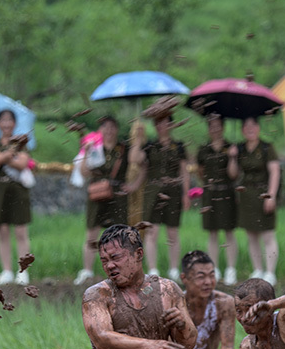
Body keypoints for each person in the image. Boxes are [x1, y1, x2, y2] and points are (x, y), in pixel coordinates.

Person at [82, 224, 197, 349]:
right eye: (104, 260)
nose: (110, 265)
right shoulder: (98, 295)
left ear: (139, 255)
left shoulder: (168, 290)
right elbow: (102, 337)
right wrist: (149, 344)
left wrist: (182, 325)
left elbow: (188, 343)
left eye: (115, 258)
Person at [127, 97, 190, 282]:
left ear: (171, 125)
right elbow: (135, 160)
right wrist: (138, 140)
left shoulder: (178, 147)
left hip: (173, 191)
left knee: (172, 232)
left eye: (165, 123)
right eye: (158, 123)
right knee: (152, 231)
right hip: (153, 191)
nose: (162, 126)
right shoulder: (150, 146)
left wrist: (186, 194)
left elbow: (184, 171)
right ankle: (153, 268)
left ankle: (173, 269)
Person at [0, 109, 33, 286]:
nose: (6, 123)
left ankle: (23, 271)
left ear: (14, 123)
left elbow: (23, 163)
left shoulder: (20, 142)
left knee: (20, 231)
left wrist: (1, 158)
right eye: (2, 120)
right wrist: (6, 157)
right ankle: (7, 270)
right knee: (2, 231)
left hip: (17, 190)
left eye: (9, 120)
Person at [74, 116, 128, 286]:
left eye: (112, 127)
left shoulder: (124, 149)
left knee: (119, 235)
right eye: (105, 127)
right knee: (92, 233)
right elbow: (84, 172)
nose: (109, 130)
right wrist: (86, 151)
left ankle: (121, 270)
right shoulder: (95, 147)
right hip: (97, 194)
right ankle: (87, 271)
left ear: (117, 129)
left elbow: (138, 164)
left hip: (118, 195)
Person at [229, 117, 280, 286]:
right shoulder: (240, 148)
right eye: (246, 126)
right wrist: (233, 157)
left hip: (263, 193)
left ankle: (270, 272)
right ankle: (257, 269)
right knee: (251, 234)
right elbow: (234, 175)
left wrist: (271, 195)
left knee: (267, 234)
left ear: (258, 128)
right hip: (246, 194)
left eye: (253, 125)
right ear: (242, 129)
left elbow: (275, 172)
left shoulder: (267, 147)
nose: (250, 129)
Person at [195, 115, 238, 286]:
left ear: (223, 127)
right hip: (210, 194)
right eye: (211, 126)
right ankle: (214, 268)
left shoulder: (230, 148)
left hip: (226, 193)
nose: (215, 129)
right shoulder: (203, 149)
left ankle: (231, 269)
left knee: (228, 232)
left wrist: (233, 157)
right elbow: (200, 172)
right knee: (212, 232)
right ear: (208, 128)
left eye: (218, 126)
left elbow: (234, 175)